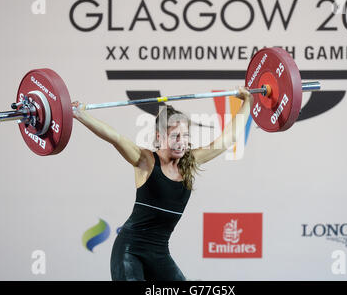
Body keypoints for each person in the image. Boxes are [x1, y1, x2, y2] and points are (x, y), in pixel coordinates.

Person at [71, 86, 252, 280]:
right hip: (129, 251)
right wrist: (80, 115)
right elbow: (115, 138)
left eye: (185, 136)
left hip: (159, 254)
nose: (181, 142)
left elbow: (228, 139)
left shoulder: (188, 164)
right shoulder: (146, 161)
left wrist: (247, 102)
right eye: (175, 136)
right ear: (160, 137)